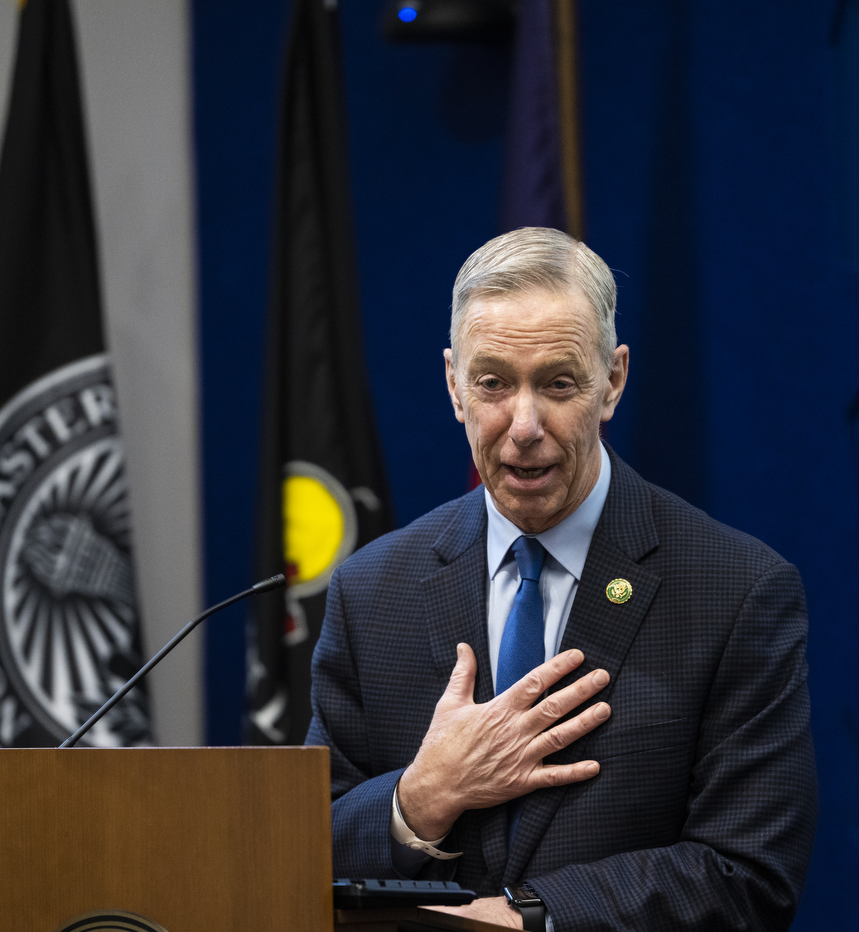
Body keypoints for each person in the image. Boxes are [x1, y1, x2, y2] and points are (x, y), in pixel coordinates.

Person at [307, 227, 817, 931]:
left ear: (612, 381)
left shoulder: (736, 591)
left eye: (557, 383)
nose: (523, 425)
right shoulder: (371, 591)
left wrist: (534, 920)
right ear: (454, 386)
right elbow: (305, 854)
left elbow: (749, 873)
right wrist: (420, 798)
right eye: (493, 383)